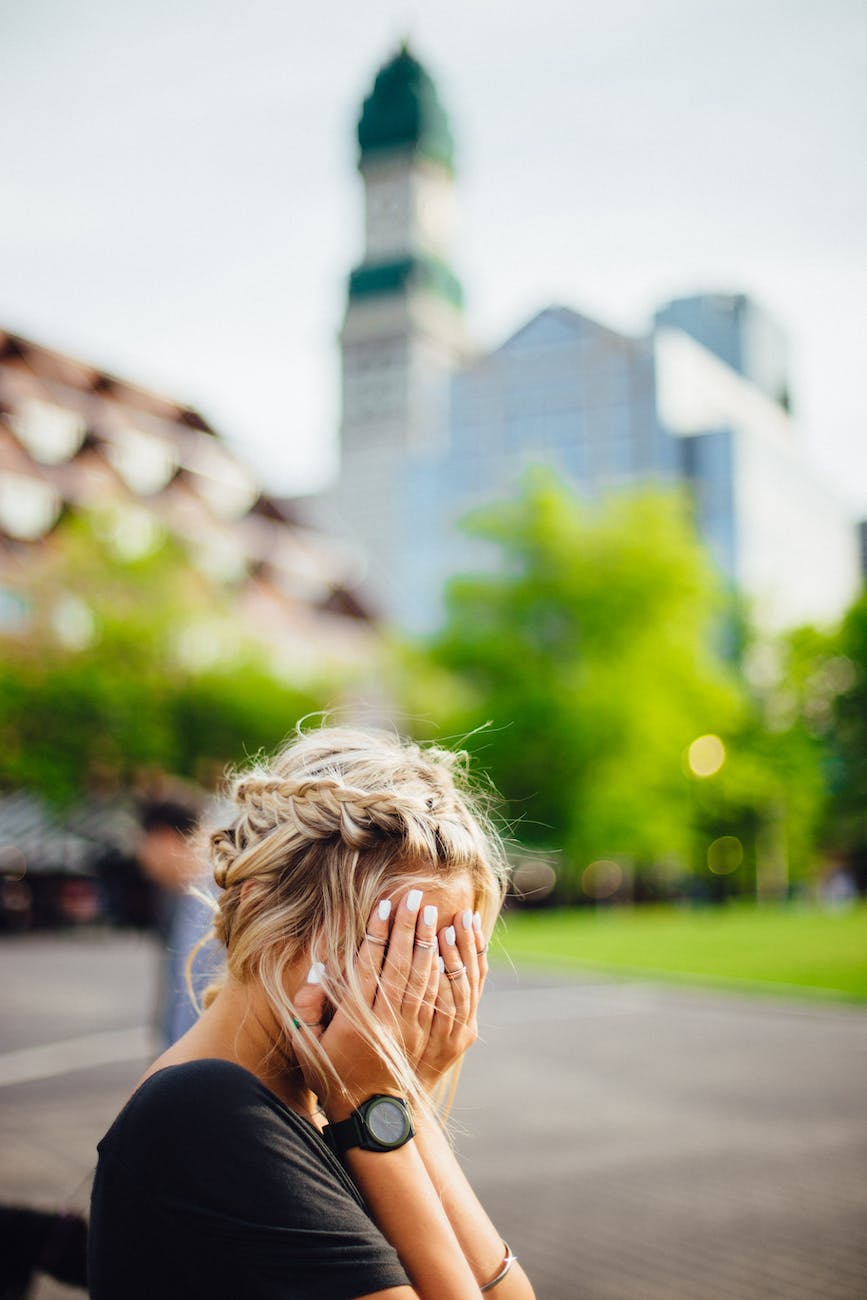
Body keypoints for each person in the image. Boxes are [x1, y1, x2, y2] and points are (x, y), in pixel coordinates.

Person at [88, 726, 535, 1299]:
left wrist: (402, 1102)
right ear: (266, 911)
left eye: (446, 954)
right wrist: (374, 1111)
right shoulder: (205, 1112)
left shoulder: (326, 1093)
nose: (420, 993)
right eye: (392, 948)